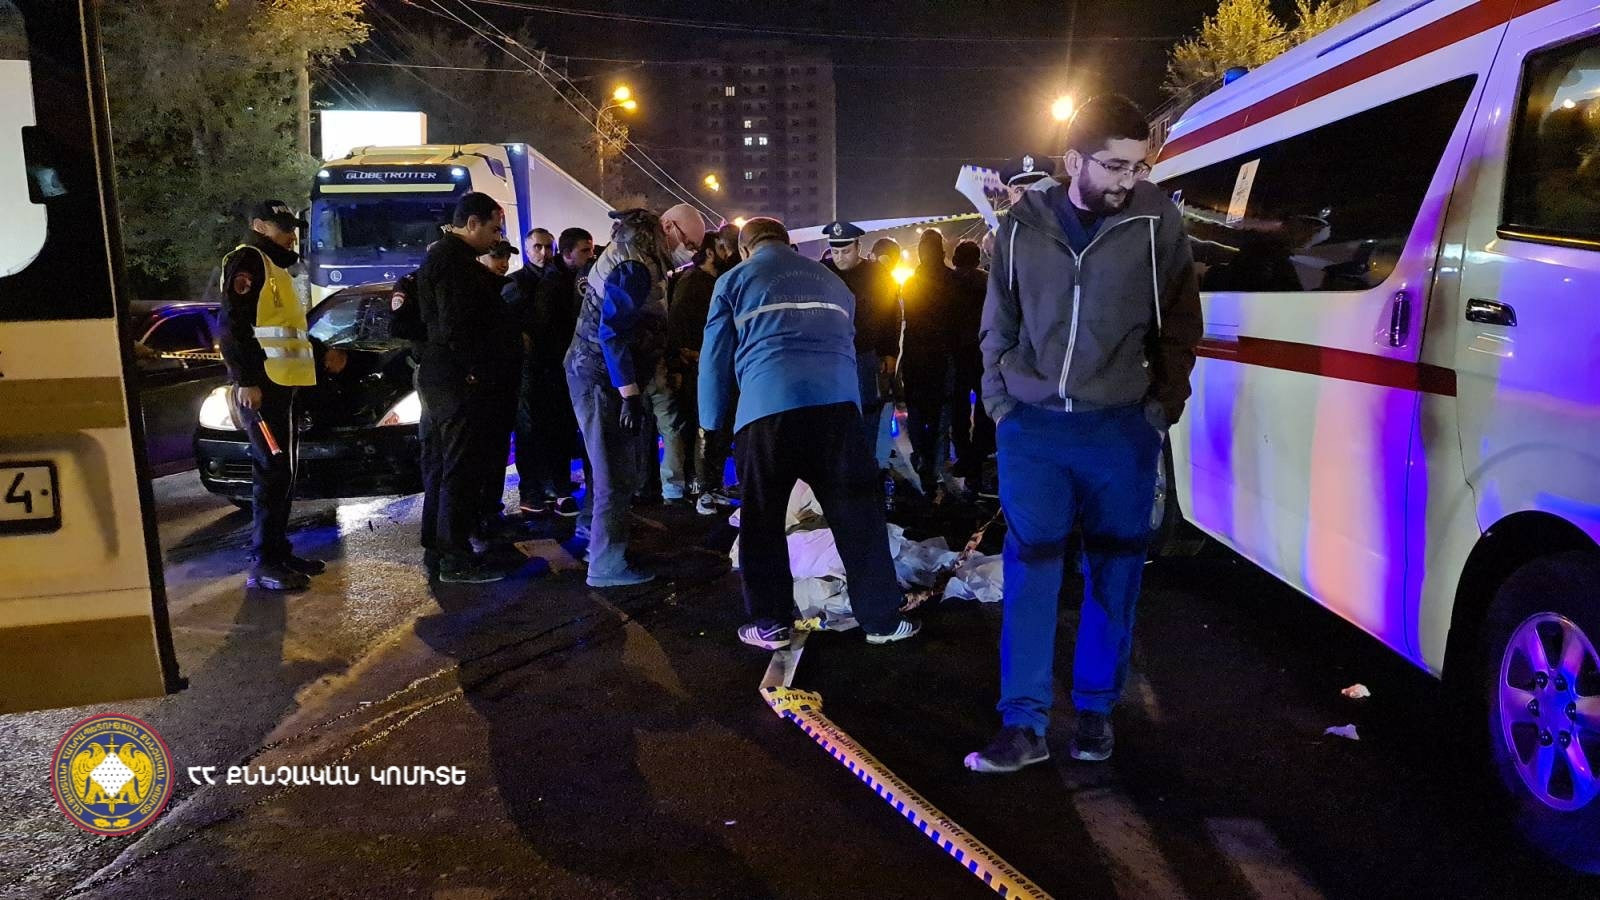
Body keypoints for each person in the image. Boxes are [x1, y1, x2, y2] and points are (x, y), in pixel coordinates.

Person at [965, 95, 1202, 772]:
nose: (1129, 179)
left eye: (1138, 166)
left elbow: (1181, 321)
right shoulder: (1022, 225)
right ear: (1074, 161)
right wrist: (1001, 403)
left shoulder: (1157, 221)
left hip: (1120, 428)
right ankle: (1023, 724)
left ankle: (1096, 713)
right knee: (1031, 571)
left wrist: (1162, 406)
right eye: (1115, 165)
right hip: (1034, 430)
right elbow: (998, 320)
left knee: (1115, 571)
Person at [700, 217, 920, 649]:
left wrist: (711, 424)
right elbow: (848, 344)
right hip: (837, 410)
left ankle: (770, 623)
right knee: (858, 516)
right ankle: (881, 620)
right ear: (789, 243)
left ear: (745, 249)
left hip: (767, 409)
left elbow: (714, 358)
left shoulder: (734, 280)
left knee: (763, 520)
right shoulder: (832, 281)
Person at [566, 204, 705, 587]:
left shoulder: (637, 254)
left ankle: (594, 536)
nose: (691, 252)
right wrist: (628, 393)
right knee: (614, 472)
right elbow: (612, 333)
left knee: (605, 465)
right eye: (690, 243)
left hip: (595, 372)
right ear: (669, 227)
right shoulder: (636, 266)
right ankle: (606, 565)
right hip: (601, 377)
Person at [218, 200, 346, 591]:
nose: (291, 235)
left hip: (281, 384)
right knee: (271, 472)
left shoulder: (275, 268)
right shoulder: (249, 261)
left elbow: (288, 330)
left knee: (281, 473)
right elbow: (233, 325)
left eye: (292, 227)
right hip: (263, 387)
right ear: (259, 226)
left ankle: (278, 552)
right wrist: (245, 380)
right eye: (282, 227)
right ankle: (265, 562)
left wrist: (321, 353)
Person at [414, 191, 522, 583]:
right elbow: (455, 323)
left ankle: (438, 546)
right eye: (493, 229)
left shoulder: (448, 259)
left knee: (443, 466)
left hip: (444, 376)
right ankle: (454, 557)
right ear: (472, 223)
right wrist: (472, 370)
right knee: (458, 469)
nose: (497, 239)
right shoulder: (453, 263)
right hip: (455, 380)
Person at [508, 226, 593, 516]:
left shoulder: (564, 277)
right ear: (527, 249)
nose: (544, 253)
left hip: (556, 366)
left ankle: (556, 486)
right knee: (530, 431)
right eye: (538, 247)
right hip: (532, 368)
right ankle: (532, 491)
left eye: (548, 247)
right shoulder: (519, 282)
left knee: (559, 429)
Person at [822, 221, 902, 464]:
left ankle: (866, 461)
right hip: (831, 354)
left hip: (865, 352)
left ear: (858, 247)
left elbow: (890, 314)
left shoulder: (877, 274)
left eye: (846, 251)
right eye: (835, 251)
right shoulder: (823, 272)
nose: (840, 257)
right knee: (834, 409)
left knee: (868, 408)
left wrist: (889, 352)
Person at [899, 228, 957, 497]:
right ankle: (934, 464)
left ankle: (921, 456)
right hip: (942, 355)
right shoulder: (952, 280)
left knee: (916, 410)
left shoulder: (912, 282)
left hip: (916, 355)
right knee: (939, 414)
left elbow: (909, 320)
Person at [948, 239, 993, 495]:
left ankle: (963, 454)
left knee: (959, 405)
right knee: (984, 404)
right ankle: (979, 452)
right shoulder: (987, 281)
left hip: (956, 350)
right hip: (982, 349)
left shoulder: (948, 282)